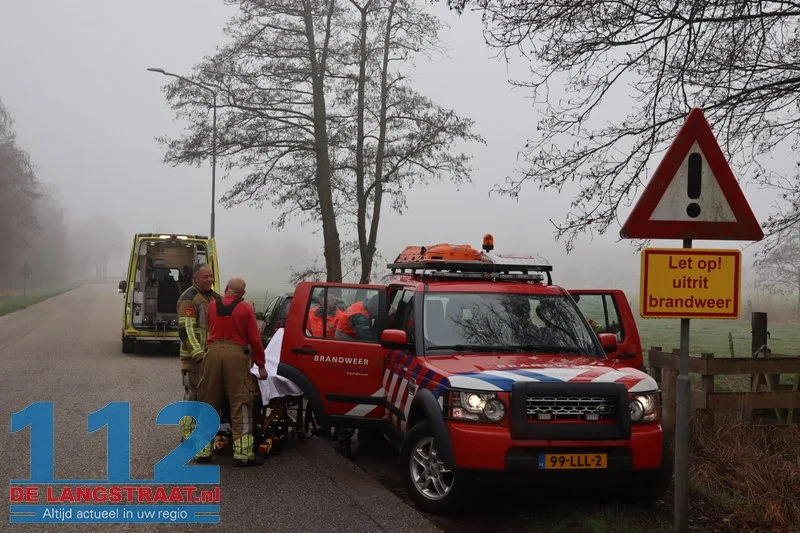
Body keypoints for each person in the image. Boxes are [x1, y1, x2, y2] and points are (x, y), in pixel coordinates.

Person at [195, 277, 268, 467]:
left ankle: (203, 451)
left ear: (226, 288)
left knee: (208, 401)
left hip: (212, 354)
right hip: (235, 355)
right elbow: (255, 339)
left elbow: (208, 330)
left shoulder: (211, 306)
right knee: (241, 402)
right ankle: (242, 454)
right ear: (242, 293)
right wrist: (260, 365)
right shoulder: (245, 309)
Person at [176, 264, 218, 442]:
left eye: (211, 276)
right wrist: (199, 355)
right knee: (192, 396)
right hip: (194, 360)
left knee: (208, 396)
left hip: (210, 356)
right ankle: (187, 435)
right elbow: (186, 331)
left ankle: (204, 433)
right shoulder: (189, 298)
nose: (209, 279)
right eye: (205, 277)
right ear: (195, 278)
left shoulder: (213, 297)